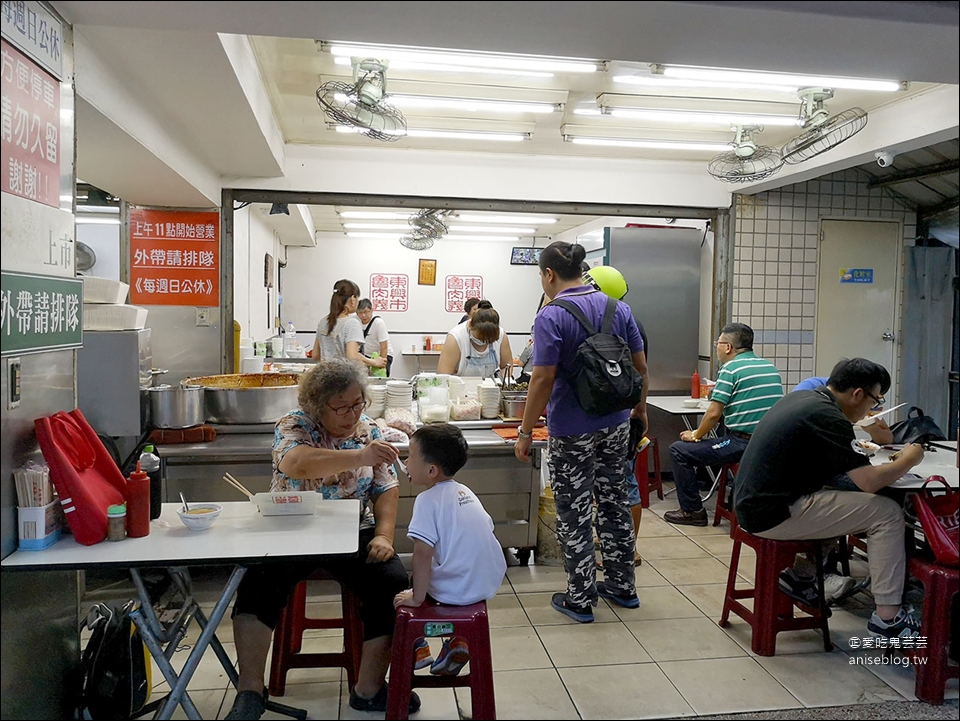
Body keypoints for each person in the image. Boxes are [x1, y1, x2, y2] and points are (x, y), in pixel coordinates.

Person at [224, 359, 419, 719]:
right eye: (341, 407)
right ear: (317, 406)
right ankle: (251, 690)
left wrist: (385, 535)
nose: (351, 414)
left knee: (391, 582)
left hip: (352, 532)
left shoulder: (370, 429)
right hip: (291, 526)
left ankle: (369, 688)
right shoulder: (294, 425)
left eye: (357, 404)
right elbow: (297, 464)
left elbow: (386, 487)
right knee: (257, 583)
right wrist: (359, 454)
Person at [735, 357, 926, 640]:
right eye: (875, 400)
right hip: (771, 512)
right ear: (857, 393)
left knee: (844, 499)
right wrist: (910, 458)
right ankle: (888, 617)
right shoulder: (828, 416)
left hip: (756, 503)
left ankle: (800, 576)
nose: (871, 410)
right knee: (886, 513)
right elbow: (869, 482)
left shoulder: (805, 399)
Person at [514, 241, 647, 623]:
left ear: (549, 274)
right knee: (614, 502)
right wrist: (638, 410)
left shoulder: (552, 315)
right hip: (617, 424)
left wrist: (525, 431)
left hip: (572, 429)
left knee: (574, 510)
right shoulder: (618, 308)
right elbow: (639, 365)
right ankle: (623, 586)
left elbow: (541, 378)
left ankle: (580, 597)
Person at [393, 424, 507, 676]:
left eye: (410, 456)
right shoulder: (465, 491)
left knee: (393, 591)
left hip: (453, 590)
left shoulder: (426, 500)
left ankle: (419, 648)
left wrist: (417, 597)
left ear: (431, 470)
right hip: (485, 584)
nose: (405, 462)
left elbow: (422, 554)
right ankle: (459, 642)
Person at [663, 323, 783, 527]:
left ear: (728, 347)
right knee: (718, 439)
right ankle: (731, 499)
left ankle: (693, 512)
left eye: (718, 343)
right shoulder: (768, 367)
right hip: (771, 443)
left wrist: (695, 434)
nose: (716, 347)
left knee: (679, 450)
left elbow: (713, 414)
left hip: (743, 443)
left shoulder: (731, 369)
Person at [584, 264, 648, 567]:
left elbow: (640, 371)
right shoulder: (624, 319)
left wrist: (640, 409)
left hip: (615, 418)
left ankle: (629, 550)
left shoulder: (618, 322)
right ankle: (616, 544)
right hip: (621, 416)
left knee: (623, 484)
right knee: (616, 484)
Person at [312, 280, 387, 375]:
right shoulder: (351, 323)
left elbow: (315, 355)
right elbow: (352, 356)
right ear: (352, 299)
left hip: (325, 377)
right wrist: (374, 362)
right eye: (357, 298)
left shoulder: (323, 322)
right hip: (344, 379)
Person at [793, 375, 894, 444]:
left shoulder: (868, 400)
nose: (873, 405)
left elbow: (886, 438)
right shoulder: (810, 388)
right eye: (874, 399)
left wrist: (873, 428)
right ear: (858, 393)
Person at [437, 305, 513, 378]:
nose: (483, 342)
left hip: (491, 389)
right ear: (470, 325)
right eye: (480, 338)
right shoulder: (455, 338)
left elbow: (506, 367)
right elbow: (443, 376)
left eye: (488, 340)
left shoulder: (501, 334)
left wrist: (503, 383)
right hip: (461, 388)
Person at [356, 298, 395, 377]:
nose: (364, 315)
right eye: (360, 312)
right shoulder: (355, 321)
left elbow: (384, 347)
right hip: (367, 355)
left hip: (383, 354)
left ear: (372, 310)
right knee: (365, 380)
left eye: (366, 312)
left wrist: (382, 365)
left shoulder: (378, 322)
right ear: (356, 313)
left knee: (380, 379)